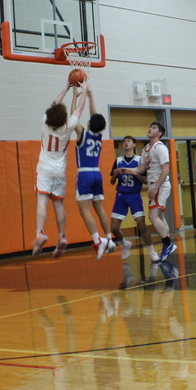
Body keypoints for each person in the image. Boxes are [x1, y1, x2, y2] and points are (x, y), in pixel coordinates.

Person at [33, 80, 88, 258]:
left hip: (44, 169)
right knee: (58, 204)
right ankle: (62, 236)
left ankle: (40, 233)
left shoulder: (44, 123)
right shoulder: (69, 126)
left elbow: (54, 104)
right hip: (59, 170)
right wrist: (84, 89)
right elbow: (79, 108)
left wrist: (65, 87)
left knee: (42, 200)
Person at [119, 121, 176, 262]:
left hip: (160, 185)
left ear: (159, 133)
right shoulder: (146, 148)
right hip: (153, 185)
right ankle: (168, 243)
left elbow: (166, 169)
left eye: (154, 128)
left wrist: (156, 186)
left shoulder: (160, 148)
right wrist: (130, 170)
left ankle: (168, 244)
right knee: (160, 217)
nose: (150, 129)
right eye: (150, 127)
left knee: (152, 216)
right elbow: (142, 168)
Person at [72, 82, 117, 260]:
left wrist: (75, 97)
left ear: (89, 123)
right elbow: (95, 117)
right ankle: (109, 239)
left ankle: (97, 240)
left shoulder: (83, 133)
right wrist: (90, 95)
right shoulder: (98, 135)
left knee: (84, 211)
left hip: (84, 174)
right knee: (100, 209)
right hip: (97, 174)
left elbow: (73, 117)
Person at [110, 136, 154, 260]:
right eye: (124, 141)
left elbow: (145, 181)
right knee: (113, 227)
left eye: (129, 141)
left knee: (141, 224)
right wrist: (115, 174)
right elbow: (112, 182)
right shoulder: (118, 160)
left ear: (134, 145)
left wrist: (135, 173)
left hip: (134, 195)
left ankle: (151, 251)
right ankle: (124, 244)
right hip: (121, 195)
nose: (126, 143)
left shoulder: (140, 160)